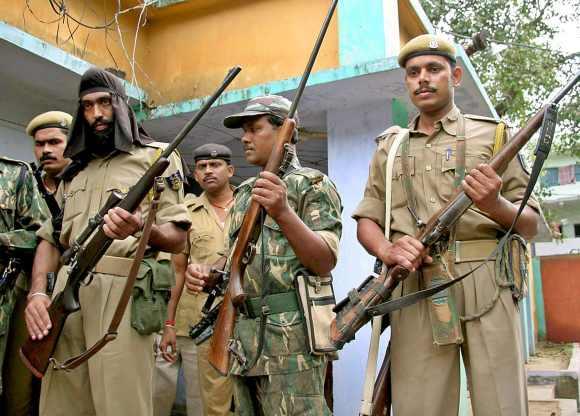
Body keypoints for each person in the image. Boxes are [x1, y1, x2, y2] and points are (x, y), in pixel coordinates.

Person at [352, 34, 540, 415]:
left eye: (434, 69)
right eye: (413, 72)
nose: (423, 78)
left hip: (485, 279)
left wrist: (494, 204)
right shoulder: (390, 149)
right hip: (417, 284)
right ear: (406, 82)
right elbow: (367, 220)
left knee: (501, 400)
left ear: (455, 76)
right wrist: (388, 250)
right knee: (419, 403)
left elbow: (531, 223)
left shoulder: (494, 135)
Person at [24, 67, 191, 416]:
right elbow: (50, 240)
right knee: (61, 404)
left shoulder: (155, 158)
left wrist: (141, 227)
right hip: (68, 296)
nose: (97, 114)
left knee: (122, 405)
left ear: (122, 105)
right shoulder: (75, 169)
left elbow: (177, 237)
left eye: (104, 103)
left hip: (122, 297)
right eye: (87, 106)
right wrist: (38, 293)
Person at [186, 95, 343, 416]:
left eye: (255, 128)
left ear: (286, 132)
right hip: (244, 339)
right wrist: (210, 274)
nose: (245, 138)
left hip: (291, 340)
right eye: (244, 130)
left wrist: (283, 210)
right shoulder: (245, 194)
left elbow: (325, 260)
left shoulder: (311, 185)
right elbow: (236, 262)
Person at [1, 111, 72, 416]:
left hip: (70, 295)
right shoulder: (25, 180)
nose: (46, 150)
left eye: (54, 142)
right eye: (40, 144)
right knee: (20, 376)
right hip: (26, 291)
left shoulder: (83, 184)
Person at [155, 143, 234, 416]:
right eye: (201, 167)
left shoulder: (248, 207)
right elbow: (177, 271)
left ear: (230, 170)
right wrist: (169, 322)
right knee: (201, 402)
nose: (208, 171)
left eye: (216, 165)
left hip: (240, 318)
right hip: (196, 322)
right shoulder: (185, 211)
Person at [0, 155, 49, 414]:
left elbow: (42, 236)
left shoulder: (14, 175)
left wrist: (4, 240)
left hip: (5, 302)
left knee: (14, 391)